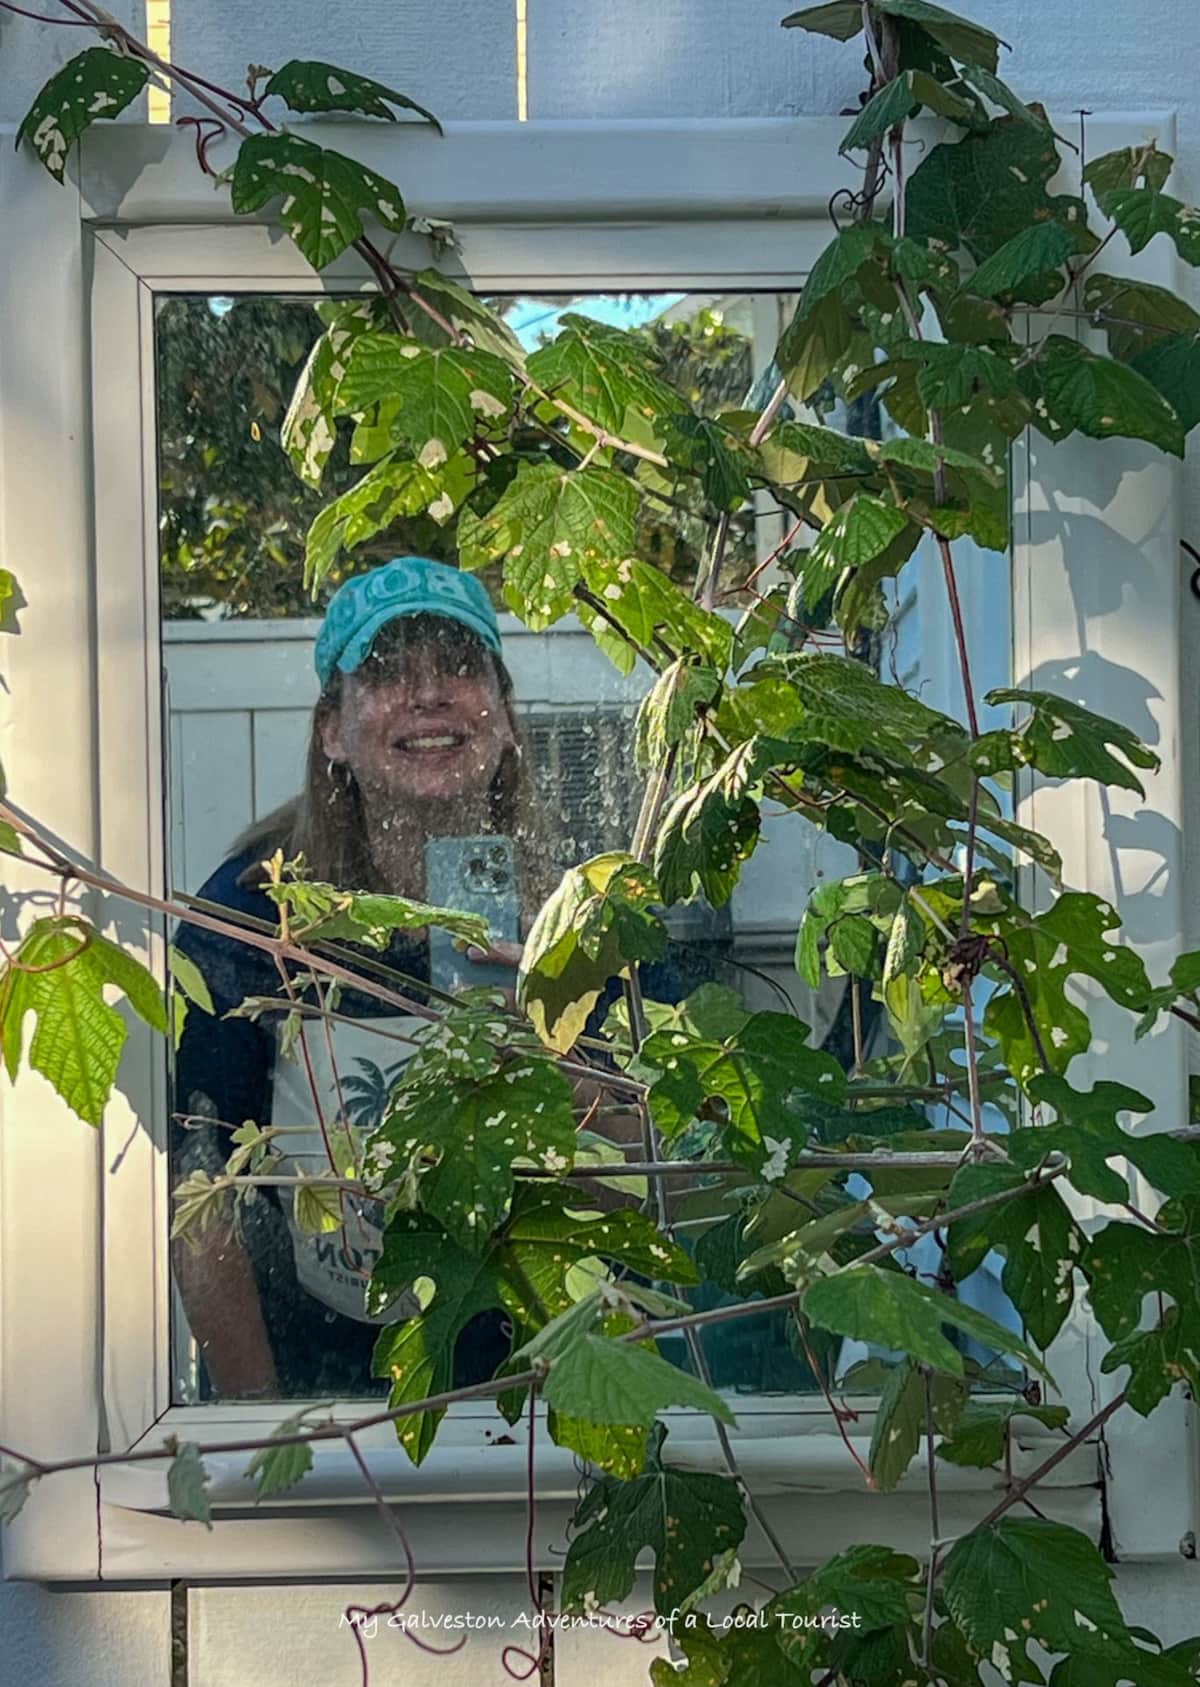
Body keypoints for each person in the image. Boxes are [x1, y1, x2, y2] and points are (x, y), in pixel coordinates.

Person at [170, 556, 699, 1401]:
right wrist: (262, 1431)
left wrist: (570, 1074)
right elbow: (200, 1201)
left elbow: (669, 1195)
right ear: (333, 730)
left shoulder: (589, 922)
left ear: (505, 715)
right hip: (322, 1404)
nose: (429, 694)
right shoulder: (252, 915)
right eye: (385, 672)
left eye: (459, 664)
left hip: (544, 1402)